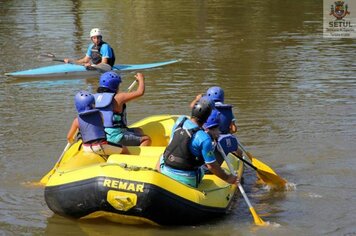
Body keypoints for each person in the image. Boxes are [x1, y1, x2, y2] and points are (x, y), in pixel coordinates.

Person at [157, 99, 239, 188]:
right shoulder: (204, 138)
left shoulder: (180, 121)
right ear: (206, 119)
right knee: (201, 168)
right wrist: (228, 178)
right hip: (186, 178)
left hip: (166, 170)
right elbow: (212, 166)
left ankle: (159, 176)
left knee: (162, 156)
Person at [94, 71, 151, 146]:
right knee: (146, 139)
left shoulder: (95, 98)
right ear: (115, 86)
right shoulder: (119, 97)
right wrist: (141, 79)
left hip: (101, 135)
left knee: (139, 130)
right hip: (115, 138)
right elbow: (140, 92)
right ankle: (137, 156)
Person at [67, 90, 129, 158]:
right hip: (101, 146)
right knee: (124, 149)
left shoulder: (76, 120)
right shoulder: (100, 114)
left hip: (86, 148)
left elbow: (69, 137)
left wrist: (72, 140)